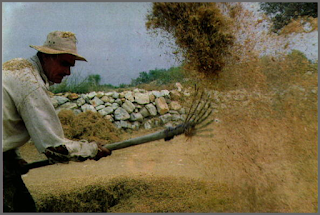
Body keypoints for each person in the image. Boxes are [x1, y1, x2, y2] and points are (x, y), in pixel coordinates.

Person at [2, 31, 112, 212]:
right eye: (64, 64)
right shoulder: (31, 84)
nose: (68, 72)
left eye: (71, 66)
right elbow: (54, 148)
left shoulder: (15, 68)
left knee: (24, 206)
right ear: (46, 56)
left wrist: (13, 158)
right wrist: (91, 149)